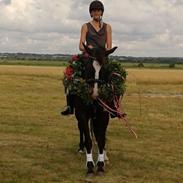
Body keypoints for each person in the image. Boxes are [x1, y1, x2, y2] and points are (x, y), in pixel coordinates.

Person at [61, 0, 113, 116]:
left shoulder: (108, 27)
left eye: (98, 10)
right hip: (88, 56)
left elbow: (109, 46)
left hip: (102, 58)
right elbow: (80, 45)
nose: (96, 13)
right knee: (71, 77)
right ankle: (70, 106)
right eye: (94, 11)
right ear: (90, 13)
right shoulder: (85, 26)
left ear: (102, 12)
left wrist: (103, 53)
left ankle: (113, 107)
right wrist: (88, 48)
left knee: (114, 78)